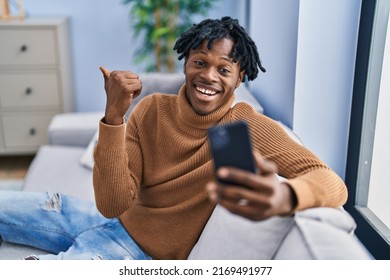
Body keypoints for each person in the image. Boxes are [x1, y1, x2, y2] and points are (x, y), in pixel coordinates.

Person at [0, 16, 349, 260]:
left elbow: (331, 183)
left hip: (136, 253)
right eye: (200, 62)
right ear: (185, 63)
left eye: (224, 69)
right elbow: (112, 204)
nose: (209, 76)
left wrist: (286, 195)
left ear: (240, 77)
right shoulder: (152, 108)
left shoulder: (247, 126)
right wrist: (114, 117)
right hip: (106, 219)